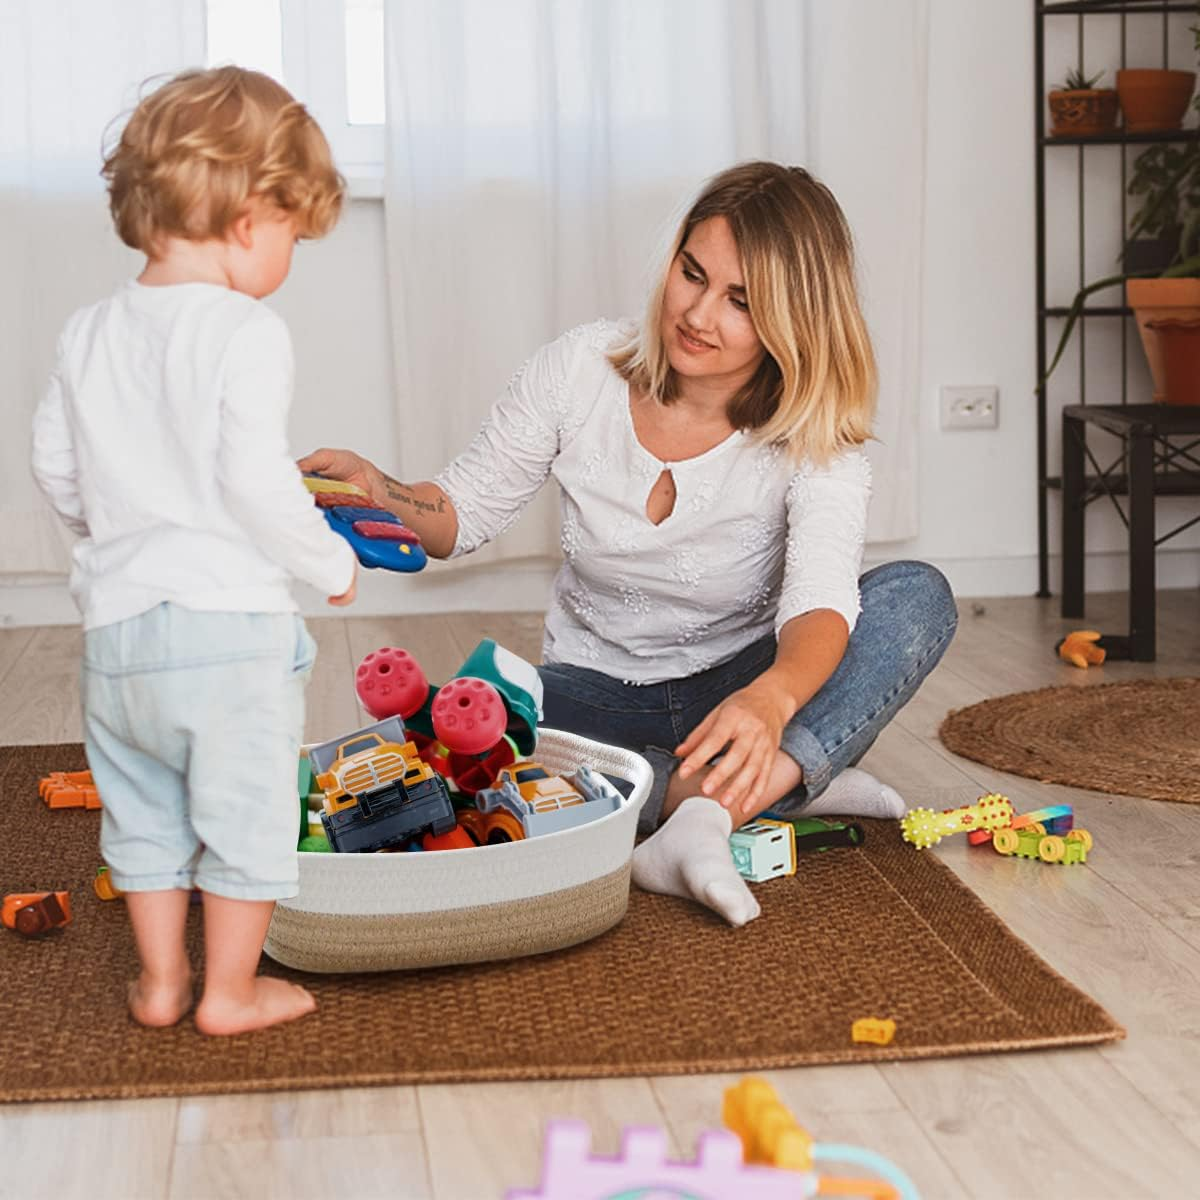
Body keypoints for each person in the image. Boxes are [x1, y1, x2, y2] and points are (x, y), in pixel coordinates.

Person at [301, 161, 957, 927]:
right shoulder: (579, 369)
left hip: (736, 690)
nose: (699, 314)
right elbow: (460, 514)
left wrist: (772, 699)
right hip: (590, 697)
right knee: (468, 717)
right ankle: (778, 781)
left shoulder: (816, 441)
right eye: (692, 273)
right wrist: (383, 490)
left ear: (794, 320)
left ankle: (704, 812)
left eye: (740, 302)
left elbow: (819, 603)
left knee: (916, 597)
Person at [31, 67, 358, 1033]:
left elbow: (56, 468)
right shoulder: (243, 329)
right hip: (229, 637)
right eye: (294, 235)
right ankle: (228, 990)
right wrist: (329, 564)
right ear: (251, 214)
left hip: (121, 637)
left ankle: (163, 980)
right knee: (244, 811)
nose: (291, 254)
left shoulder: (88, 332)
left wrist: (118, 542)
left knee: (145, 813)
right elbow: (256, 482)